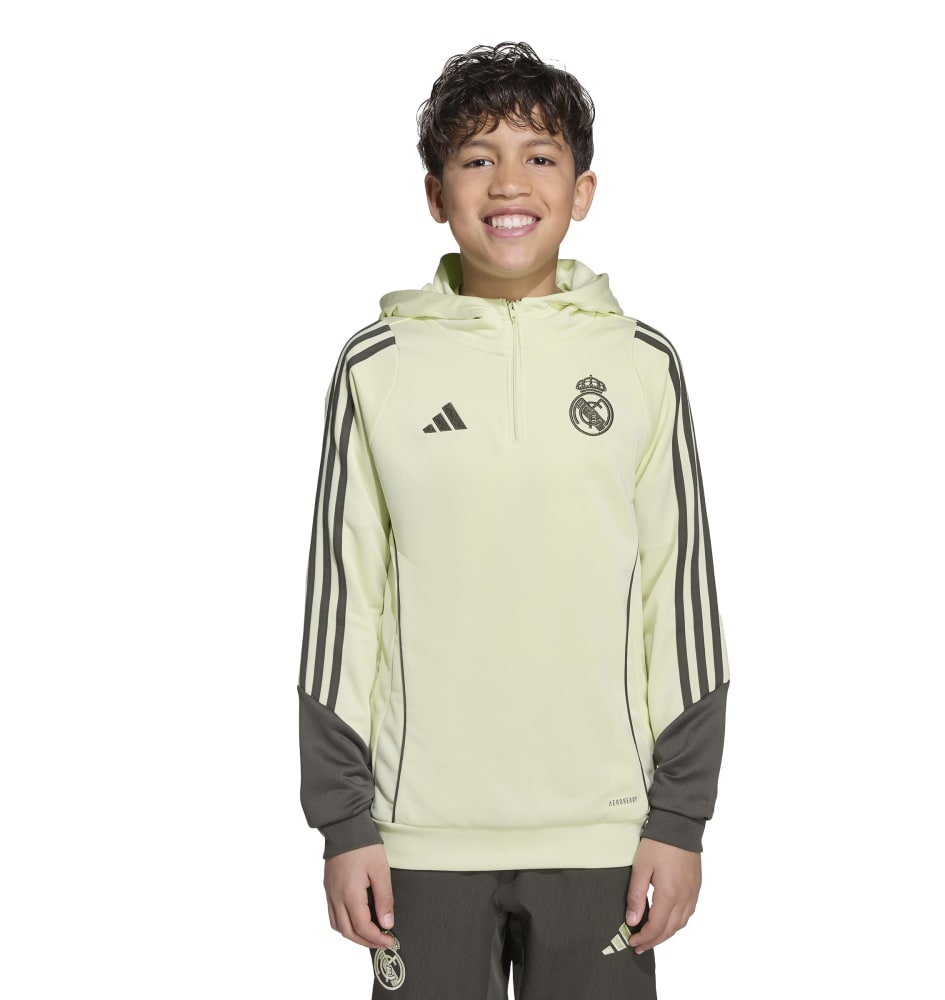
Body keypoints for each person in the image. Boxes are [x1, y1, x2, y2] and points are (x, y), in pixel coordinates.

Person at [297, 41, 730, 999]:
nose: (508, 183)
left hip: (604, 832)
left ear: (582, 191)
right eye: (475, 157)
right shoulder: (377, 366)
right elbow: (345, 604)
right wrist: (344, 823)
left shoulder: (642, 365)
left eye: (539, 156)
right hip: (418, 836)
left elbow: (679, 600)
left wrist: (679, 821)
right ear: (435, 193)